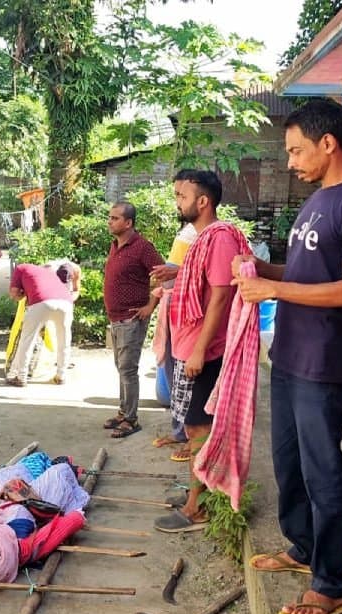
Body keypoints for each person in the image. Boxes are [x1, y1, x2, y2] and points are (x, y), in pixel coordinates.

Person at [232, 100, 342, 614]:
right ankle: (301, 547)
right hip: (290, 354)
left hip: (323, 361)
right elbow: (301, 273)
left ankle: (329, 584)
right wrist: (260, 268)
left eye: (297, 150)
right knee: (288, 464)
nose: (291, 161)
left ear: (328, 143)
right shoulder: (315, 201)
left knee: (323, 472)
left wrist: (273, 286)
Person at [153, 169, 249, 534]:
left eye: (182, 195)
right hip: (189, 347)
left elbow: (221, 296)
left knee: (198, 428)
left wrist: (200, 351)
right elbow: (205, 282)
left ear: (203, 201)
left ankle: (198, 507)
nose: (178, 201)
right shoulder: (203, 238)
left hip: (202, 353)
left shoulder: (220, 237)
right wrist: (176, 272)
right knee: (193, 426)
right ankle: (199, 494)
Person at [102, 201, 165, 439]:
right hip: (117, 317)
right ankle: (123, 412)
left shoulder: (142, 247)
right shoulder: (116, 245)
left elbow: (163, 277)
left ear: (128, 223)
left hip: (132, 317)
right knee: (122, 367)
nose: (110, 221)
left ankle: (131, 419)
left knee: (128, 369)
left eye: (115, 218)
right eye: (110, 217)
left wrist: (151, 304)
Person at [149, 222, 200, 451]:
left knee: (187, 379)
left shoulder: (212, 234)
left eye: (183, 195)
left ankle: (192, 437)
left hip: (189, 316)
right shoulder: (188, 231)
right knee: (172, 374)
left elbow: (211, 276)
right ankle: (180, 432)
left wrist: (176, 272)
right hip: (172, 310)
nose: (179, 201)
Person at [6, 263, 73, 387]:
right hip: (66, 302)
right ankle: (61, 375)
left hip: (41, 301)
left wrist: (23, 294)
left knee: (27, 339)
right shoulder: (48, 273)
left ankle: (21, 376)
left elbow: (14, 294)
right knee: (64, 339)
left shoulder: (20, 268)